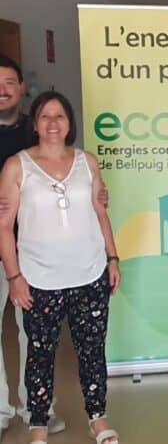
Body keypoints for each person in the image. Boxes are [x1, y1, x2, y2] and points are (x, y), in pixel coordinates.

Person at [0, 90, 121, 444]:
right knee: (40, 355)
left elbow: (100, 213)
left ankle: (98, 419)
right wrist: (14, 276)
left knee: (92, 351)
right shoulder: (17, 166)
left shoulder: (88, 162)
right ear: (35, 124)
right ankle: (38, 425)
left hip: (90, 273)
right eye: (45, 116)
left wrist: (112, 257)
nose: (53, 123)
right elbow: (4, 226)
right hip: (39, 277)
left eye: (60, 116)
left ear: (70, 124)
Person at [0, 55, 65, 438]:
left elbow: (66, 176)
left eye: (9, 82)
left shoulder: (38, 131)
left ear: (22, 88)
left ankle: (38, 408)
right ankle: (0, 411)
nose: (2, 90)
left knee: (37, 334)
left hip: (33, 250)